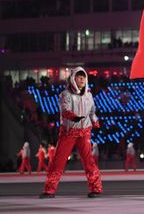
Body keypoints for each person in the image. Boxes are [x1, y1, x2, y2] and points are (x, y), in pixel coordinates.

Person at [39, 67, 102, 198]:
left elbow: (92, 111)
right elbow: (64, 110)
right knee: (58, 161)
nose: (82, 80)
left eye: (84, 77)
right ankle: (49, 189)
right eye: (79, 77)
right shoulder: (65, 94)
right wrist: (73, 117)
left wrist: (95, 121)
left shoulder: (88, 95)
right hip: (68, 132)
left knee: (89, 161)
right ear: (73, 79)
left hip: (84, 132)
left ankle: (96, 188)